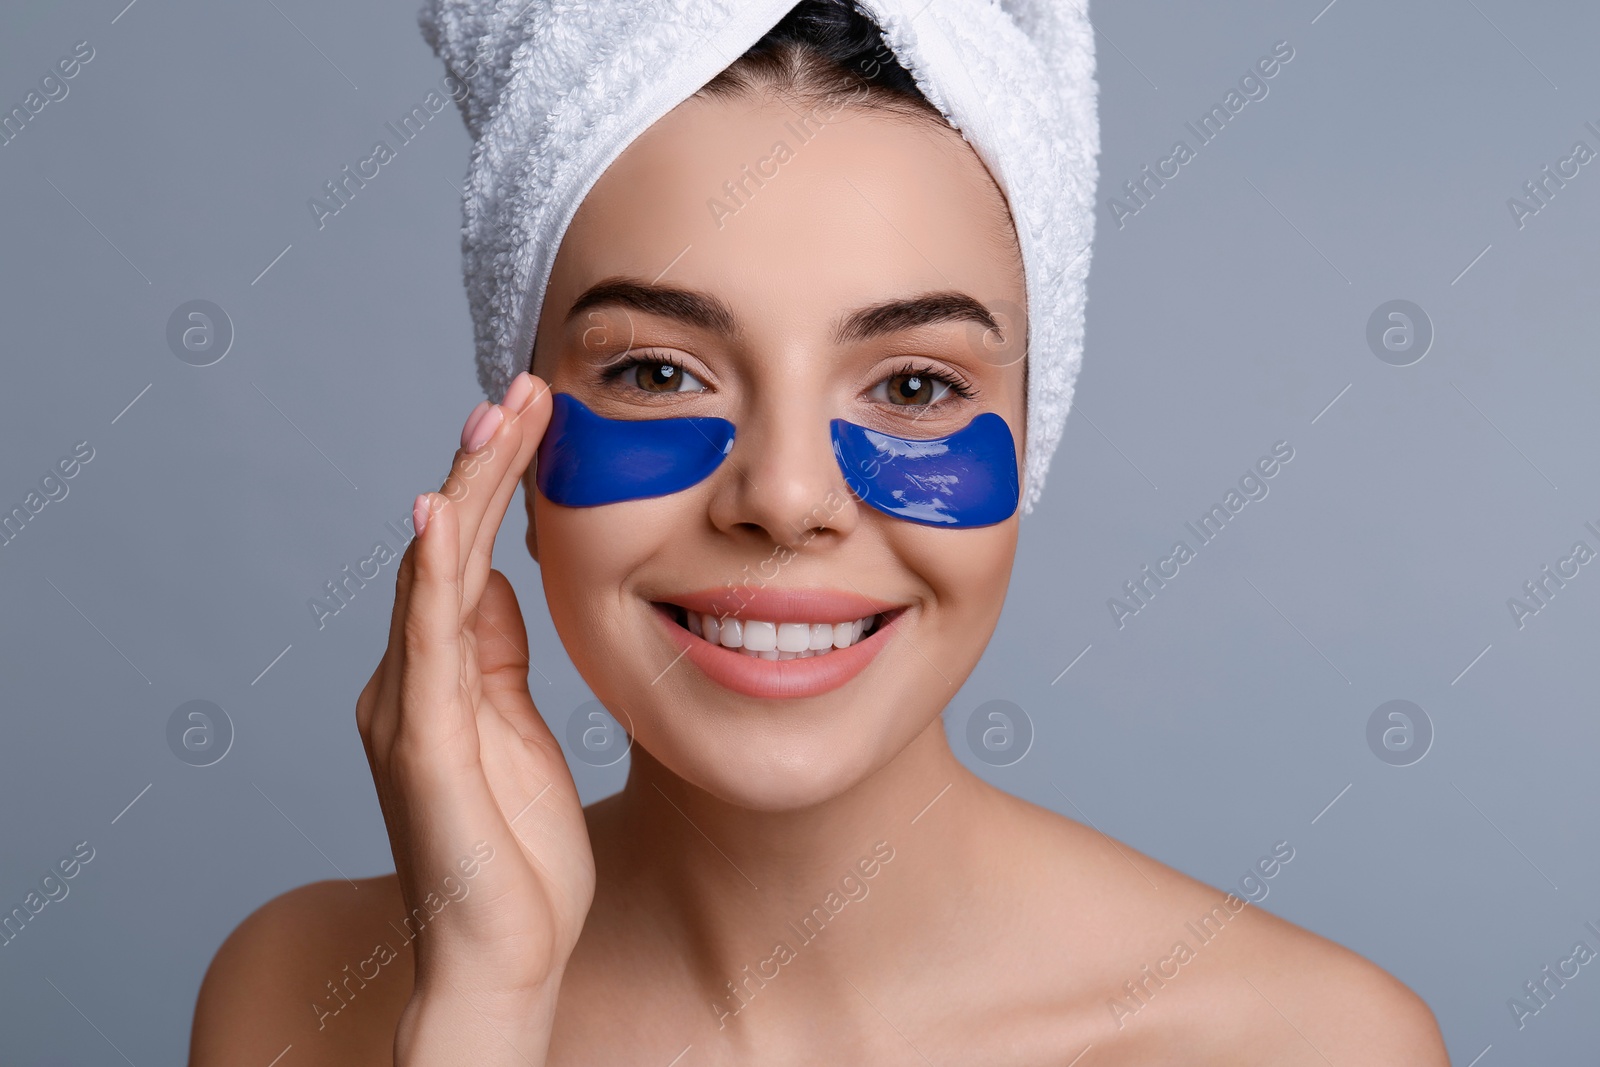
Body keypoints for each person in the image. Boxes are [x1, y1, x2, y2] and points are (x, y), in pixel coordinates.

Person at [190, 2, 1450, 1062]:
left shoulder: (1305, 1042)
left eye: (911, 387)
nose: (784, 497)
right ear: (513, 444)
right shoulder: (299, 999)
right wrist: (483, 1006)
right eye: (657, 373)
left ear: (1032, 429)